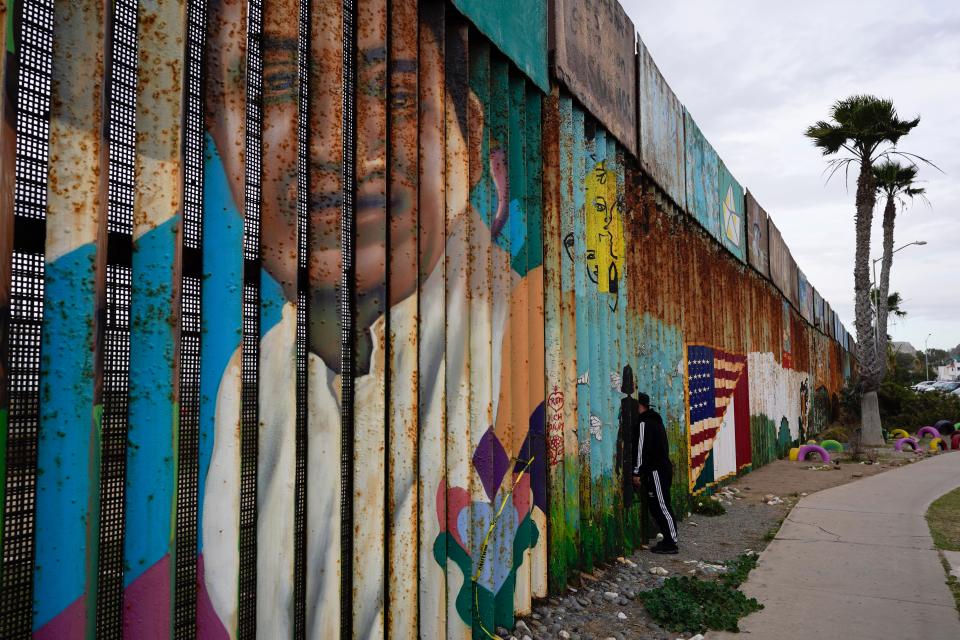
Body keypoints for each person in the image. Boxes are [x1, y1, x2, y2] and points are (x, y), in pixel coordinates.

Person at [630, 392, 679, 554]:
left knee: (662, 505)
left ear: (639, 406)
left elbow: (640, 449)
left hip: (657, 470)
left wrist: (636, 472)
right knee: (658, 505)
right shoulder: (656, 421)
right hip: (660, 469)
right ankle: (668, 540)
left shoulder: (645, 422)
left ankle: (671, 542)